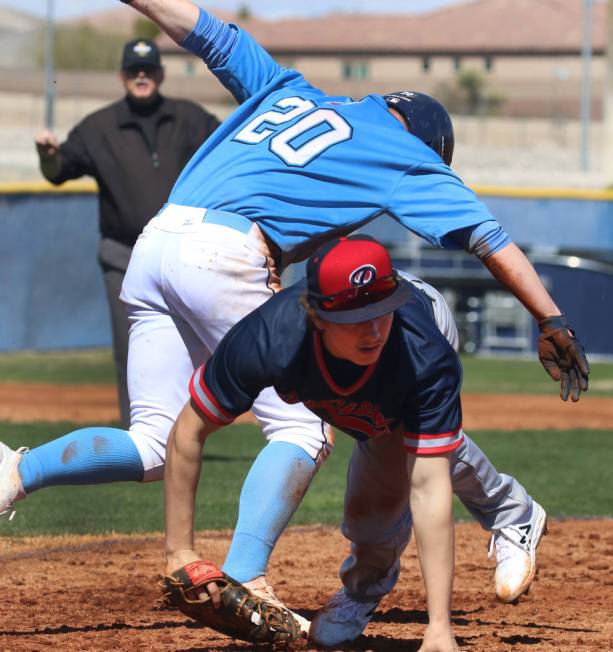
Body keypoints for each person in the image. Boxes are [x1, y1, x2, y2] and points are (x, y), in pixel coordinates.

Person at [1, 0, 585, 621]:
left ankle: (16, 470)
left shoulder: (291, 89)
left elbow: (202, 30)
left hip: (156, 243)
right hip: (220, 256)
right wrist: (550, 318)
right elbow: (486, 236)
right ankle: (247, 575)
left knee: (156, 444)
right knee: (304, 426)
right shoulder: (407, 151)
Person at [164, 234, 485, 650]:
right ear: (316, 316)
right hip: (337, 337)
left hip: (424, 320)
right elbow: (188, 430)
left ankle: (509, 513)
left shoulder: (423, 353)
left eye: (380, 312)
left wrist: (440, 625)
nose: (373, 330)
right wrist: (179, 552)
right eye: (355, 317)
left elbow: (428, 485)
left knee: (393, 485)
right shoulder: (266, 339)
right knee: (390, 459)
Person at [34, 38, 220, 427]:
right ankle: (138, 435)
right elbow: (57, 172)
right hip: (124, 255)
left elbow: (229, 152)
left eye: (148, 69)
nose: (141, 76)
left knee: (192, 346)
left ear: (160, 74)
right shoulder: (98, 127)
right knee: (132, 347)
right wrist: (48, 156)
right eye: (134, 70)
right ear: (122, 75)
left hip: (184, 253)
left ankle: (186, 432)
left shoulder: (190, 118)